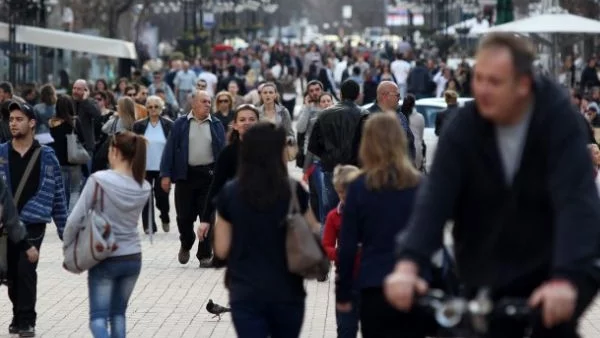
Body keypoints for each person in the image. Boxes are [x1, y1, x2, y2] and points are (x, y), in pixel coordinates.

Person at [384, 32, 600, 338]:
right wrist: (409, 262)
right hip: (483, 274)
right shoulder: (465, 126)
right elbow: (435, 198)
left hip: (551, 269)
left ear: (523, 85)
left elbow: (576, 203)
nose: (482, 90)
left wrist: (566, 278)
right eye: (478, 79)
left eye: (494, 82)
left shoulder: (558, 122)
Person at [212, 122, 319, 338]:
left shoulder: (231, 192)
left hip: (245, 290)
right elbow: (314, 230)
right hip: (287, 290)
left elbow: (221, 249)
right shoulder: (293, 189)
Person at [337, 113, 425, 338]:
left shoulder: (358, 187)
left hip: (374, 283)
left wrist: (344, 293)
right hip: (415, 282)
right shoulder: (420, 185)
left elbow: (347, 246)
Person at [64, 131, 150, 338]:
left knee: (98, 319)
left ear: (114, 151)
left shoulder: (99, 180)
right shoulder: (144, 186)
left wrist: (68, 244)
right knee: (118, 314)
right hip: (133, 256)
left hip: (105, 255)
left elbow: (75, 219)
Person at [1, 101, 67, 337]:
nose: (13, 124)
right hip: (6, 226)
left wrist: (64, 230)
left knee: (25, 270)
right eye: (11, 120)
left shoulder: (47, 155)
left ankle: (27, 320)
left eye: (19, 119)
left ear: (31, 123)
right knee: (10, 275)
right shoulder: (1, 153)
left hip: (33, 223)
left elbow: (58, 193)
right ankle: (18, 314)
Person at [160, 91, 225, 268]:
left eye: (209, 102)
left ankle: (204, 254)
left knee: (208, 216)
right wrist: (165, 174)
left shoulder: (216, 124)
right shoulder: (181, 123)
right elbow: (170, 150)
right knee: (184, 217)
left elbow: (223, 151)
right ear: (193, 104)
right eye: (203, 101)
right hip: (185, 176)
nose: (207, 105)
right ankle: (186, 243)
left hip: (208, 177)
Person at [198, 105, 260, 254]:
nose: (247, 123)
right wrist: (206, 219)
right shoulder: (228, 153)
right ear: (236, 125)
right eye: (242, 120)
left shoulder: (270, 150)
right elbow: (216, 186)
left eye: (252, 119)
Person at [322, 164, 361, 338]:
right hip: (345, 281)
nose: (343, 196)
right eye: (340, 192)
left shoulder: (370, 213)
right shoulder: (334, 216)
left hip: (370, 281)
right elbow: (326, 246)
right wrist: (340, 253)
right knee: (345, 330)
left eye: (348, 191)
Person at [133, 95, 173, 234]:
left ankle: (165, 216)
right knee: (146, 197)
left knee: (162, 197)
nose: (153, 109)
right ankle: (149, 226)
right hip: (144, 167)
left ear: (161, 108)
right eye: (150, 107)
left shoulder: (169, 125)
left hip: (163, 168)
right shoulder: (138, 125)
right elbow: (134, 146)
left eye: (156, 106)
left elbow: (173, 147)